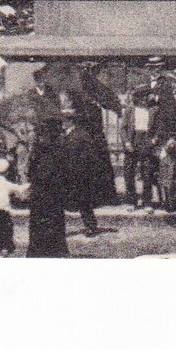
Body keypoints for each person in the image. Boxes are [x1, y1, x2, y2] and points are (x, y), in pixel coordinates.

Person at [25, 119, 70, 257]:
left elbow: (30, 171)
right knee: (55, 220)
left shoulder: (38, 149)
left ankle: (38, 250)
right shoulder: (60, 147)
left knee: (39, 221)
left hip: (40, 191)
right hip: (54, 191)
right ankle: (56, 250)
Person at [58, 104, 103, 236]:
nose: (62, 124)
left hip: (80, 173)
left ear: (71, 121)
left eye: (64, 121)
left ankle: (91, 226)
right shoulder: (62, 136)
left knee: (84, 201)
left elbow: (90, 155)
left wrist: (84, 170)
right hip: (65, 173)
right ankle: (59, 229)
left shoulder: (82, 135)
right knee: (61, 201)